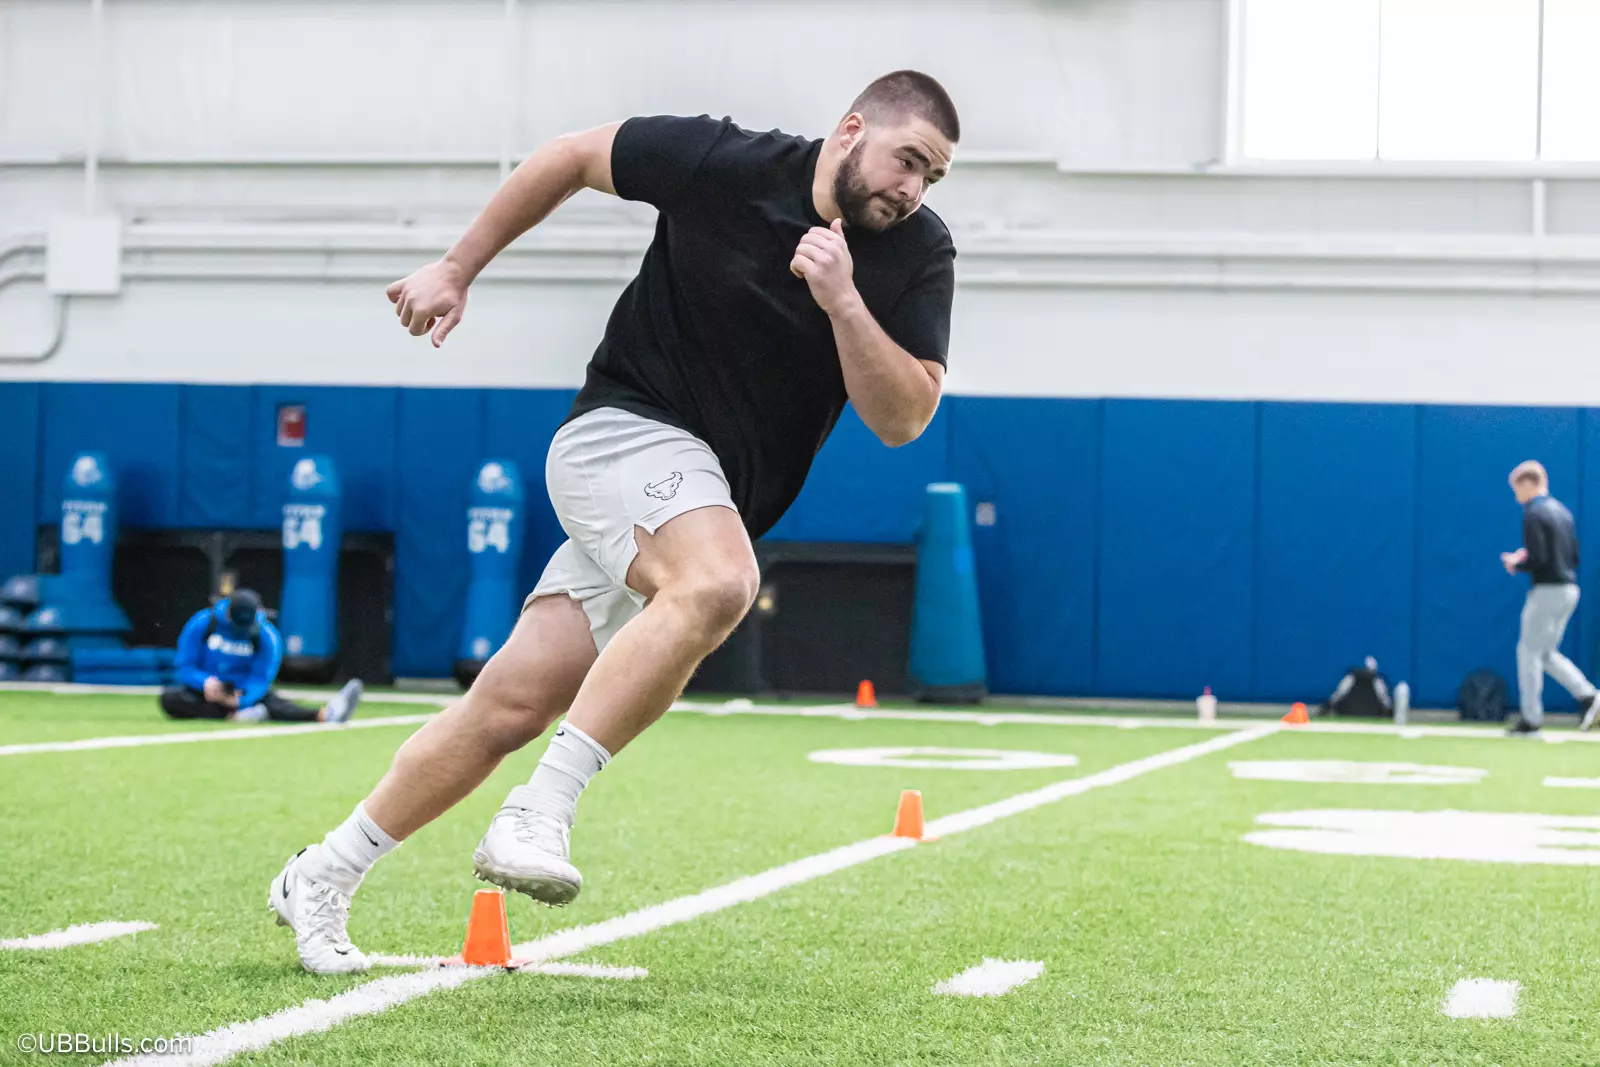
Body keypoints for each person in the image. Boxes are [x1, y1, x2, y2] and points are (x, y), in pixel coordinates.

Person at [267, 70, 960, 973]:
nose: (913, 189)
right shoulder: (723, 161)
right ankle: (538, 811)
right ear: (853, 130)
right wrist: (456, 266)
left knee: (508, 703)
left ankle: (322, 872)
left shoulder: (918, 254)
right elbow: (570, 156)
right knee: (720, 580)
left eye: (932, 178)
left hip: (688, 504)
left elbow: (906, 416)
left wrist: (843, 301)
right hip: (619, 436)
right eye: (908, 161)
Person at [1499, 460, 1600, 735]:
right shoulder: (1563, 513)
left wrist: (1516, 563)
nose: (1516, 496)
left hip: (1547, 591)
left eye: (1517, 489)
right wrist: (1528, 556)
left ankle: (1531, 719)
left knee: (1528, 652)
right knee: (1545, 654)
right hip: (1569, 589)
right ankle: (1590, 697)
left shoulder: (1533, 513)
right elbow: (1573, 557)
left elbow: (1540, 558)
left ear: (1529, 483)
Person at [162, 589, 364, 725]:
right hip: (206, 692)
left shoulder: (267, 636)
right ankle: (241, 715)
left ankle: (325, 714)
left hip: (244, 692)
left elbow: (262, 677)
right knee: (170, 699)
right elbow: (184, 666)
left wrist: (241, 700)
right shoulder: (203, 623)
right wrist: (205, 682)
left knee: (276, 704)